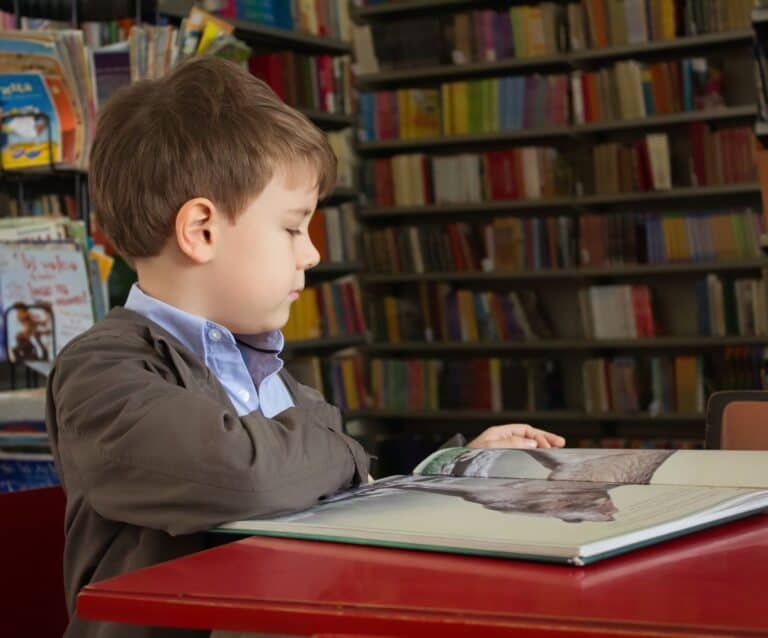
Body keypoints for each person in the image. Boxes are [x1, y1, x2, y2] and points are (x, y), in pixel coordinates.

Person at [45, 57, 565, 638]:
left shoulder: (261, 366)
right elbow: (250, 478)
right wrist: (339, 451)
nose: (312, 254)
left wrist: (451, 472)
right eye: (293, 227)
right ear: (201, 231)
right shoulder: (101, 371)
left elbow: (334, 491)